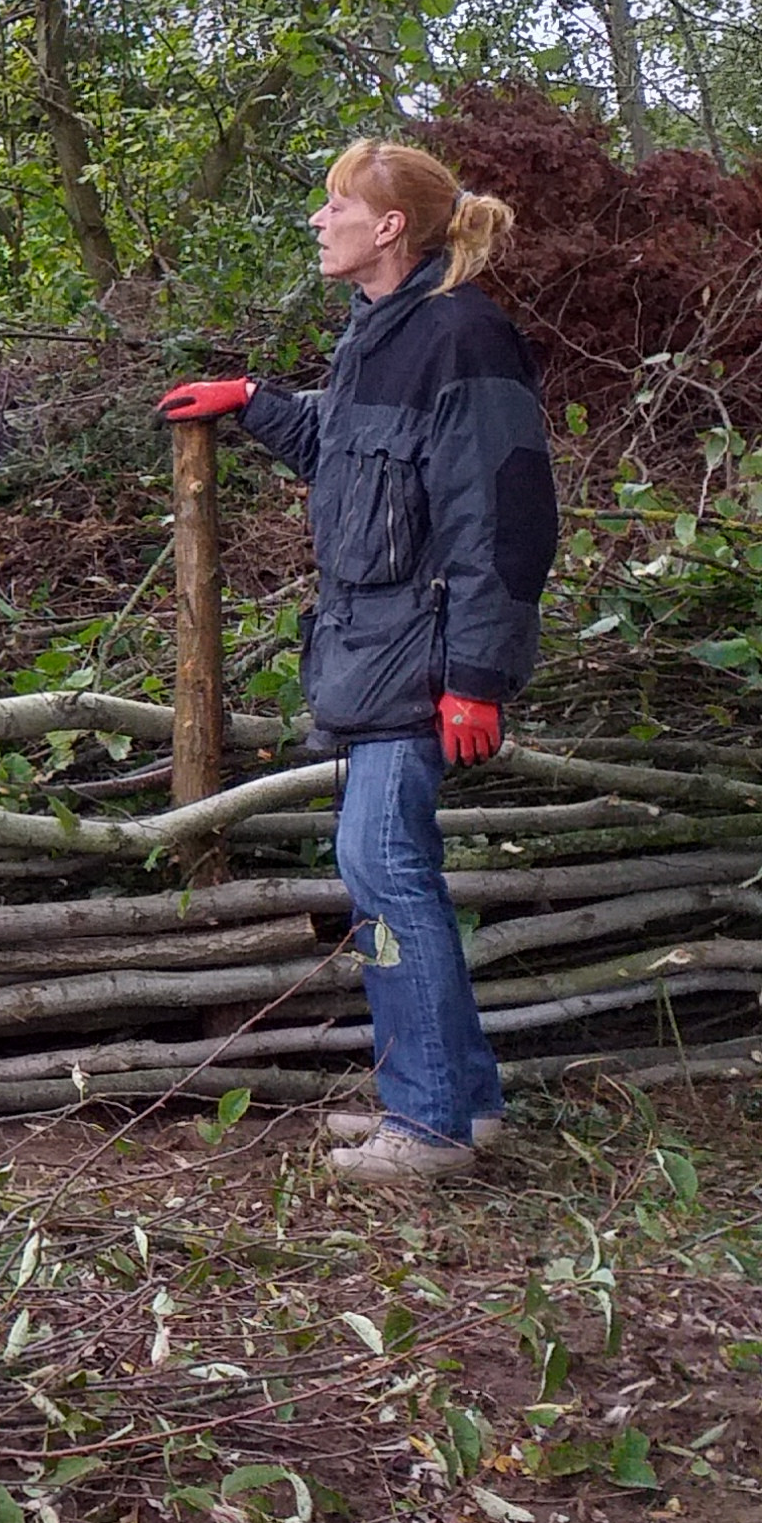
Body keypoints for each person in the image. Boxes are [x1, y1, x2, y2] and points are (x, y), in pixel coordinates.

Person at [162, 137, 558, 1183]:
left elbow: (505, 519)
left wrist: (478, 676)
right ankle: (462, 1107)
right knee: (386, 870)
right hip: (371, 653)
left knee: (385, 870)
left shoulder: (465, 336)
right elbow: (349, 454)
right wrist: (253, 404)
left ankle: (423, 1126)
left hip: (421, 661)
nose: (317, 220)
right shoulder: (381, 333)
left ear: (389, 228)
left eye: (334, 205)